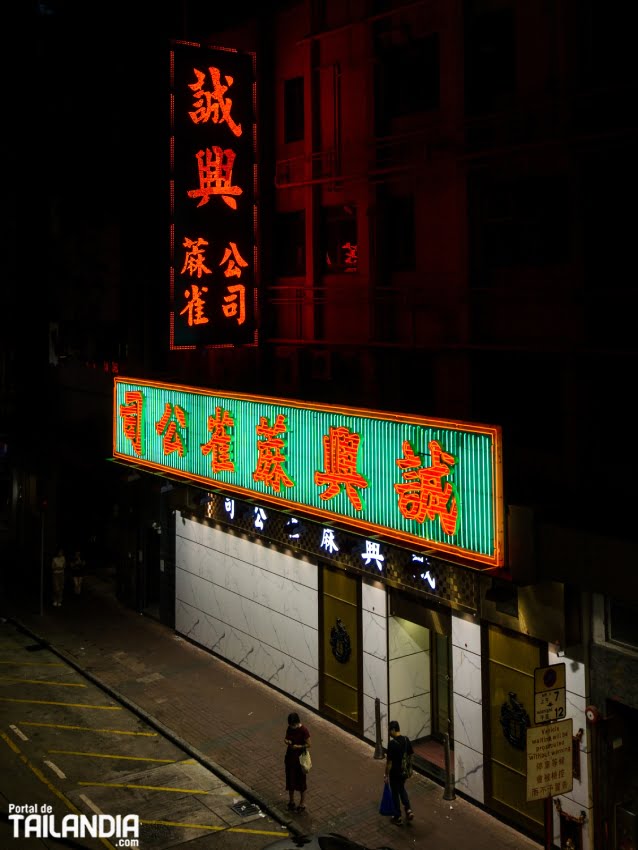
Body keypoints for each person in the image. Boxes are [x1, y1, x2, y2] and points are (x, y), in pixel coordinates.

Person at [384, 720, 414, 825]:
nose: (388, 733)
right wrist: (409, 768)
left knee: (395, 793)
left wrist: (386, 774)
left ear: (393, 730)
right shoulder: (406, 740)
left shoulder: (392, 744)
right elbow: (411, 755)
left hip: (394, 773)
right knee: (402, 789)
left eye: (389, 730)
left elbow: (389, 763)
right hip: (404, 772)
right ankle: (408, 809)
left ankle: (398, 816)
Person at [284, 711, 311, 813]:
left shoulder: (304, 730)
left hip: (300, 760)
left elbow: (309, 744)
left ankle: (302, 803)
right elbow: (286, 738)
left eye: (293, 724)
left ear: (297, 722)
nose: (292, 726)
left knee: (301, 781)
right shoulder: (290, 728)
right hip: (290, 758)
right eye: (291, 725)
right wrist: (287, 741)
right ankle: (291, 801)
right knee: (290, 779)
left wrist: (298, 746)